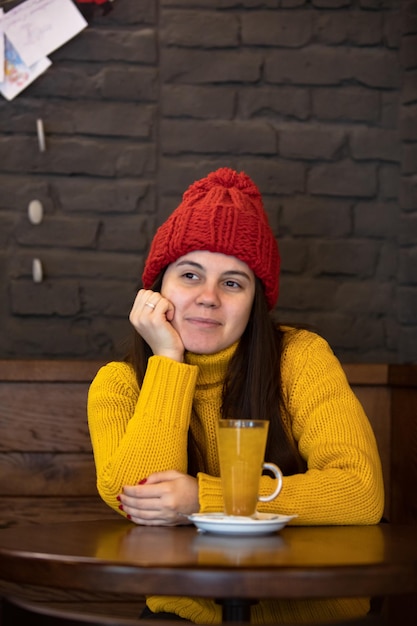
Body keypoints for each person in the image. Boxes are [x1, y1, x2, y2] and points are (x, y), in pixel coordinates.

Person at [87, 167, 384, 625]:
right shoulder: (119, 384)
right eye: (190, 275)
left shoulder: (302, 359)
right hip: (187, 614)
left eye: (232, 282)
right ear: (157, 290)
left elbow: (360, 492)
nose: (208, 298)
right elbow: (141, 496)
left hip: (317, 615)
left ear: (255, 300)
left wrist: (202, 499)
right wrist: (168, 358)